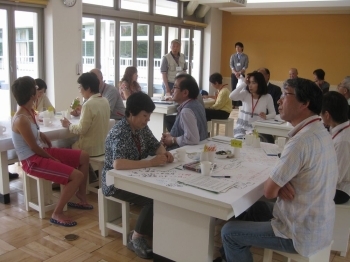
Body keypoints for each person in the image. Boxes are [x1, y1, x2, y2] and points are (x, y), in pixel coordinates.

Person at [219, 78, 338, 262]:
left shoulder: (300, 141)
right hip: (318, 222)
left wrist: (277, 185)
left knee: (228, 233)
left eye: (285, 95)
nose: (279, 100)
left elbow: (268, 191)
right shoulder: (320, 131)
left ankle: (234, 251)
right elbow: (277, 186)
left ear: (304, 103)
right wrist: (280, 184)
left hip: (298, 232)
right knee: (254, 208)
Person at [11, 76, 92, 227]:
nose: (38, 92)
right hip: (32, 160)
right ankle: (57, 213)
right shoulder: (21, 118)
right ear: (32, 95)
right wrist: (52, 158)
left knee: (84, 156)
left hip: (40, 151)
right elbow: (33, 148)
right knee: (77, 176)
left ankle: (80, 195)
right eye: (36, 90)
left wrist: (41, 135)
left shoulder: (29, 112)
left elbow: (33, 134)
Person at [101, 92, 174, 259]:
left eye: (148, 117)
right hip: (115, 182)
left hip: (136, 176)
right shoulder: (120, 131)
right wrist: (151, 162)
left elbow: (155, 144)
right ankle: (136, 237)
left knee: (164, 190)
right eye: (144, 116)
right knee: (154, 197)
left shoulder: (140, 128)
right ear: (132, 113)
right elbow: (118, 164)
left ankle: (151, 228)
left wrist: (164, 154)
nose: (147, 120)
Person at [61, 72, 110, 182]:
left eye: (80, 87)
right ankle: (90, 177)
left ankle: (70, 181)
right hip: (102, 147)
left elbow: (81, 130)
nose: (80, 91)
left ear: (88, 88)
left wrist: (68, 124)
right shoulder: (104, 100)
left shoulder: (88, 104)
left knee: (63, 148)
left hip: (89, 148)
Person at [161, 74, 207, 149]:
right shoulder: (197, 104)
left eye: (175, 87)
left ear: (185, 93)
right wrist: (171, 135)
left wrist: (173, 140)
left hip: (186, 153)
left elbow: (193, 139)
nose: (172, 90)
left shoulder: (186, 111)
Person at [321, 91, 350, 204]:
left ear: (327, 115)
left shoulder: (343, 140)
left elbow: (336, 177)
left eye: (321, 113)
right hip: (334, 182)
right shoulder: (341, 129)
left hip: (340, 190)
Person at [229, 71, 276, 139]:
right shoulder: (245, 94)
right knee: (242, 143)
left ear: (260, 84)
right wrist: (244, 83)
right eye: (249, 82)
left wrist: (266, 116)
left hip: (257, 129)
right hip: (242, 129)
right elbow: (231, 96)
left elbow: (273, 113)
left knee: (257, 143)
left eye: (253, 83)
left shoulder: (267, 97)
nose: (250, 85)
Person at [230, 42, 249, 108]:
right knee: (233, 88)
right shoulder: (233, 56)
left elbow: (245, 66)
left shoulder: (245, 56)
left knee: (240, 89)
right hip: (234, 74)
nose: (237, 48)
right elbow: (231, 65)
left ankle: (239, 104)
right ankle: (233, 104)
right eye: (236, 47)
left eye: (239, 47)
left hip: (242, 75)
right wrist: (235, 73)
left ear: (242, 48)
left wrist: (239, 73)